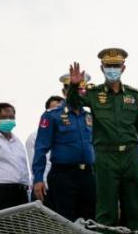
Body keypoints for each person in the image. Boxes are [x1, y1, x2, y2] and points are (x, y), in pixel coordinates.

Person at [68, 48, 138, 231]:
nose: (112, 69)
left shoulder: (134, 96)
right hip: (105, 157)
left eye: (116, 65)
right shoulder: (93, 93)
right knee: (106, 211)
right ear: (102, 68)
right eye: (108, 66)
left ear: (123, 68)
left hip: (130, 155)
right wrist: (74, 86)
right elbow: (74, 104)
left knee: (136, 208)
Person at [32, 74, 95, 222]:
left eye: (81, 89)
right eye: (72, 88)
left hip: (88, 175)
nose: (77, 92)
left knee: (90, 220)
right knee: (65, 221)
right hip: (63, 175)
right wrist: (38, 179)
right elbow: (41, 148)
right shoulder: (52, 115)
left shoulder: (90, 116)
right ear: (64, 91)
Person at [26, 95, 64, 203]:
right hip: (44, 187)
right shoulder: (35, 136)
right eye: (54, 109)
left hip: (64, 186)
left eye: (60, 109)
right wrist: (39, 182)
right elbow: (36, 162)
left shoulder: (68, 134)